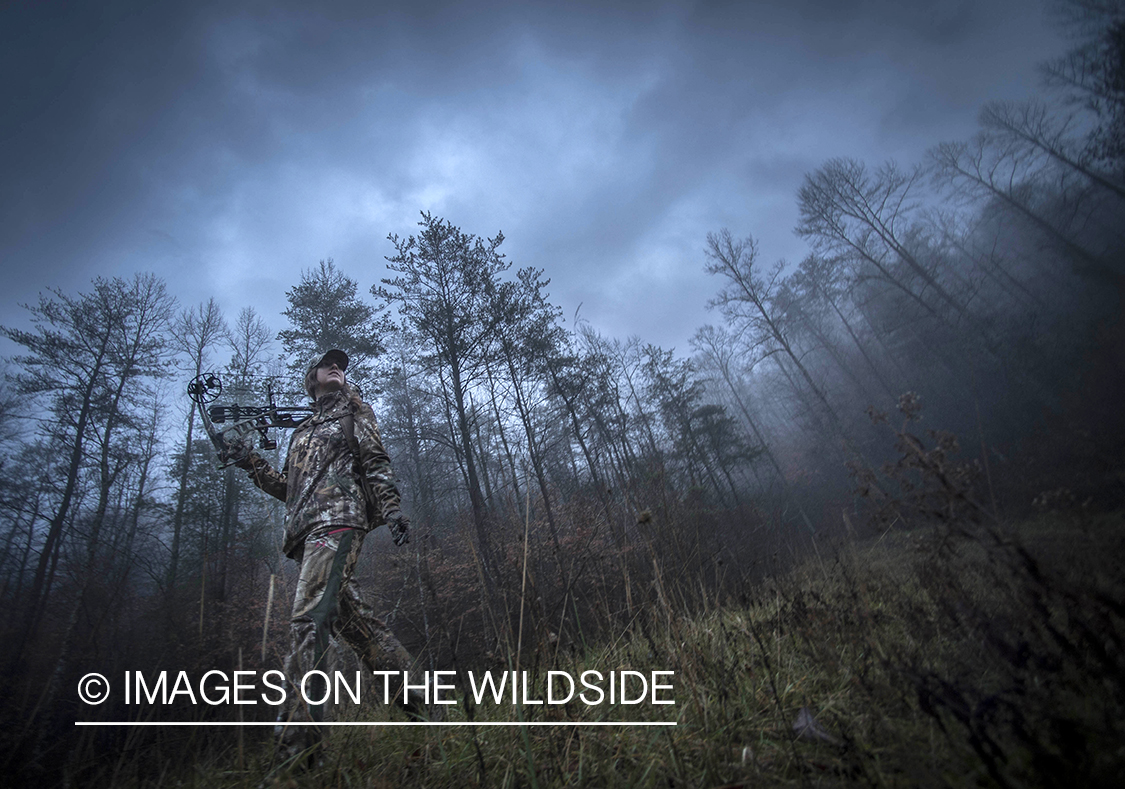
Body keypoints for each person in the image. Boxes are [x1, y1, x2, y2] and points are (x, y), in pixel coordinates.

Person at [227, 349, 420, 761]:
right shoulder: (302, 432)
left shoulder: (355, 413)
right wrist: (249, 461)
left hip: (339, 523)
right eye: (328, 364)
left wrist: (391, 508)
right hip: (306, 534)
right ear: (311, 377)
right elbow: (289, 488)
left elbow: (375, 462)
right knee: (359, 628)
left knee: (308, 620)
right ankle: (425, 705)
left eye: (343, 367)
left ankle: (298, 754)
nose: (338, 367)